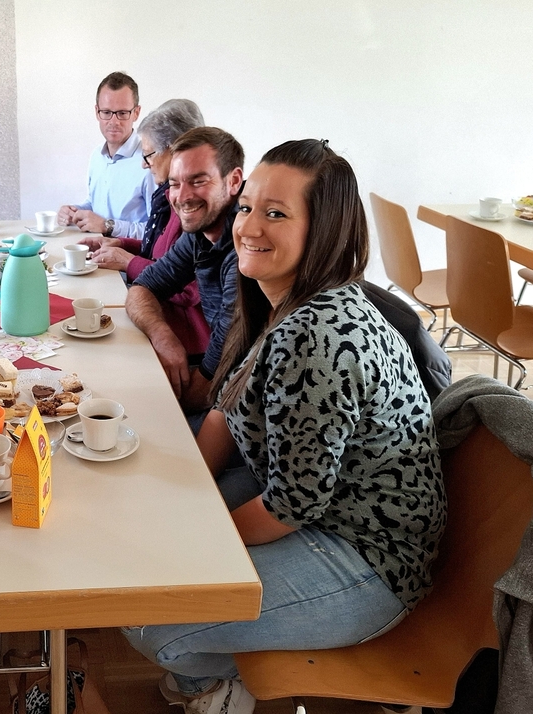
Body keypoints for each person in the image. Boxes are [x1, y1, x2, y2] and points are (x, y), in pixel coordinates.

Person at [123, 140, 446, 714]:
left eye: (276, 214)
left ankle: (216, 687)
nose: (248, 226)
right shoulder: (274, 297)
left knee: (148, 620)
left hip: (366, 556)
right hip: (308, 499)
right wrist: (182, 498)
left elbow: (293, 504)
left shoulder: (316, 334)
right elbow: (225, 408)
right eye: (248, 207)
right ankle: (216, 659)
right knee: (143, 541)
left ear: (323, 231)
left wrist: (195, 543)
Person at [126, 127, 245, 412]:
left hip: (240, 405)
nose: (182, 196)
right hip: (220, 382)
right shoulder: (200, 233)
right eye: (175, 183)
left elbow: (213, 378)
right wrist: (163, 336)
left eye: (198, 181)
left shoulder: (245, 248)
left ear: (233, 181)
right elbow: (143, 286)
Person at [82, 99, 210, 355]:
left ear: (175, 151)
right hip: (153, 314)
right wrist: (121, 244)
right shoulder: (168, 197)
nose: (143, 164)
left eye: (148, 155)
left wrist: (127, 261)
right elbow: (165, 254)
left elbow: (186, 289)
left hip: (181, 337)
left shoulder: (194, 207)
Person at [57, 72, 155, 240]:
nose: (114, 121)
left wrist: (108, 226)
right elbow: (96, 204)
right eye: (106, 112)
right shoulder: (97, 156)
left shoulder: (150, 162)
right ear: (97, 112)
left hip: (129, 255)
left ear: (136, 113)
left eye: (122, 113)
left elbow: (157, 232)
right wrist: (74, 212)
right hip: (95, 249)